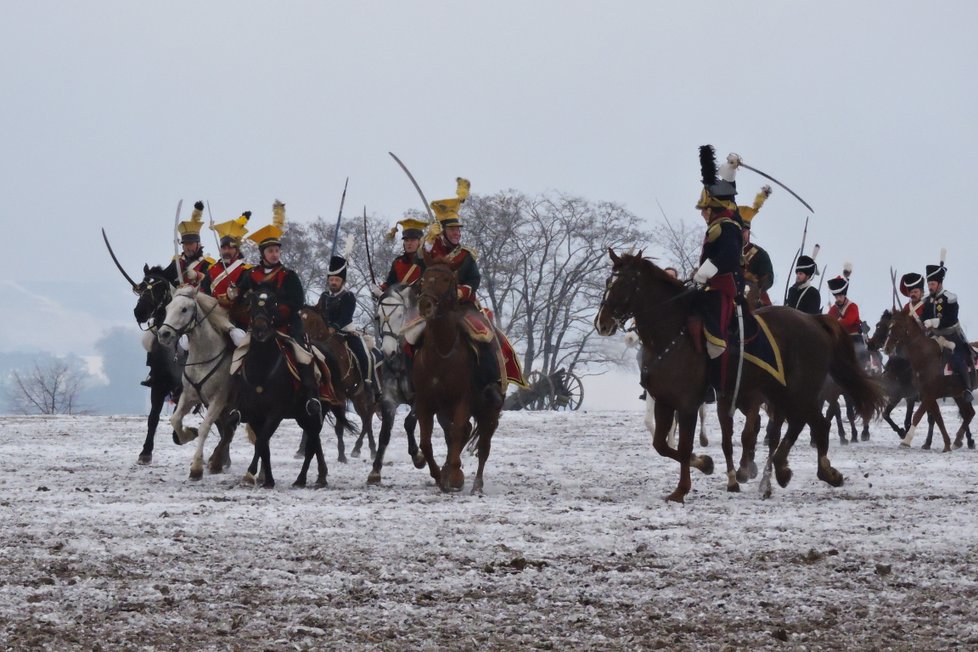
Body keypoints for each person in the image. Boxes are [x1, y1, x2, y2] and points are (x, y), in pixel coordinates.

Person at [233, 200, 321, 417]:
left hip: (288, 325)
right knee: (237, 355)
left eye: (277, 250)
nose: (275, 254)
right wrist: (234, 296)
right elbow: (240, 298)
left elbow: (297, 302)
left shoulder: (289, 276)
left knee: (303, 355)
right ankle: (237, 402)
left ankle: (310, 397)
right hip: (259, 327)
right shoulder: (250, 275)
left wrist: (278, 314)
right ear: (262, 253)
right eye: (271, 250)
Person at [691, 146, 744, 393]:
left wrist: (706, 271)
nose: (702, 213)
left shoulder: (727, 225)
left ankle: (717, 385)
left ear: (712, 207)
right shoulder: (719, 224)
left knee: (716, 340)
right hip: (710, 286)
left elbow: (730, 258)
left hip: (723, 289)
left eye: (704, 209)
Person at [316, 250, 378, 398]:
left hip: (346, 333)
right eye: (331, 279)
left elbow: (346, 316)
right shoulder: (324, 296)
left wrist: (334, 328)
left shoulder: (348, 296)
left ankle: (369, 383)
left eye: (336, 280)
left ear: (342, 282)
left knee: (364, 356)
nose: (333, 282)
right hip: (325, 334)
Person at [920, 257, 973, 402]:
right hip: (934, 337)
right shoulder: (926, 300)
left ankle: (967, 388)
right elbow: (923, 316)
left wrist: (933, 321)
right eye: (929, 284)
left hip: (952, 336)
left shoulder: (951, 298)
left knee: (956, 358)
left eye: (932, 284)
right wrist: (922, 323)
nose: (930, 287)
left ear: (939, 283)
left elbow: (951, 318)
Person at [201, 211, 252, 327]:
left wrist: (232, 298)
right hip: (211, 315)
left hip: (236, 318)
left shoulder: (246, 270)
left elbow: (248, 294)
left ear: (237, 251)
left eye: (230, 248)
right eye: (224, 248)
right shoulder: (211, 269)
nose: (226, 252)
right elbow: (204, 291)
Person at [162, 200, 214, 287]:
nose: (187, 247)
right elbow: (163, 278)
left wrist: (198, 276)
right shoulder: (177, 261)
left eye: (190, 243)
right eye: (185, 244)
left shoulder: (208, 263)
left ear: (198, 244)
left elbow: (211, 284)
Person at [739, 186, 775, 306]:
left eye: (743, 231)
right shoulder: (727, 251)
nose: (741, 234)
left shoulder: (760, 254)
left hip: (755, 297)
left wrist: (756, 286)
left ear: (748, 232)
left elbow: (769, 278)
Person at [373, 217, 427, 296]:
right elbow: (390, 283)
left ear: (420, 241)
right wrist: (380, 289)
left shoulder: (427, 260)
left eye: (412, 240)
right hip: (402, 304)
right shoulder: (398, 262)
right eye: (406, 240)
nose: (409, 243)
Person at [826, 267, 868, 365]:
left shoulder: (853, 306)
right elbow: (828, 320)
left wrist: (834, 322)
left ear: (844, 295)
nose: (838, 299)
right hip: (840, 339)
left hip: (854, 340)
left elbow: (848, 321)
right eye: (836, 297)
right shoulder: (834, 308)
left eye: (840, 296)